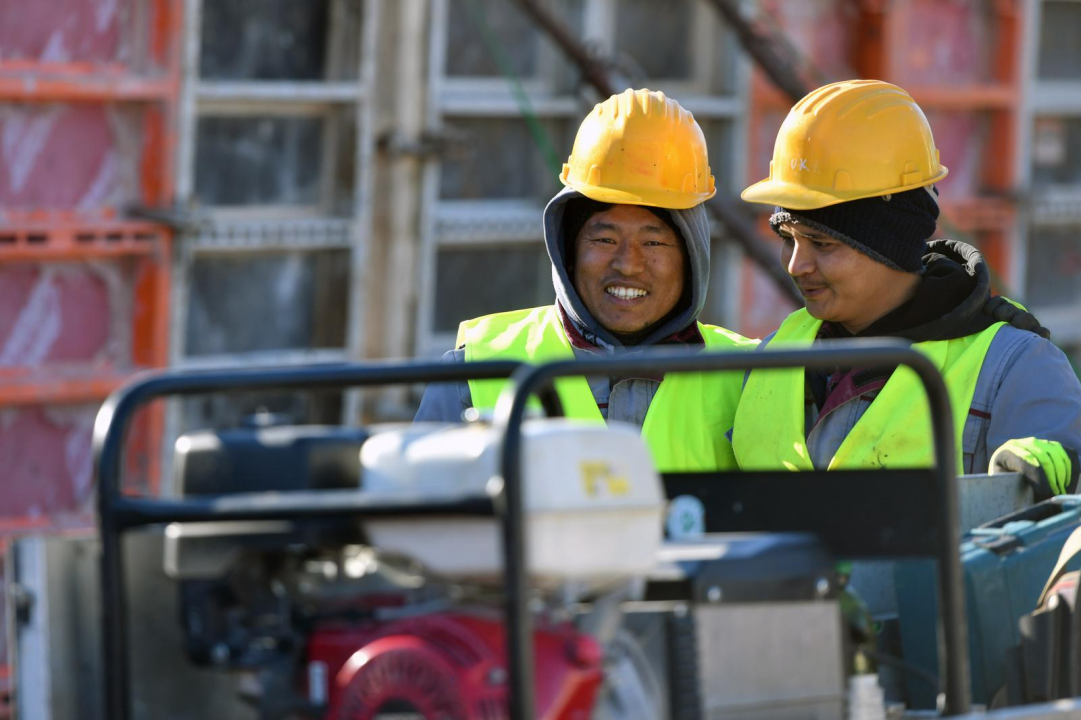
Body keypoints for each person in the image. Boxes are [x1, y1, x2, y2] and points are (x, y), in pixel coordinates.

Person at [733, 79, 1081, 500]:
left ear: (889, 242)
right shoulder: (777, 351)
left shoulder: (1014, 368)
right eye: (789, 239)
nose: (796, 265)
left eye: (822, 244)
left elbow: (1059, 519)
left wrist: (1051, 467)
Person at [416, 88, 757, 471]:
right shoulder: (476, 369)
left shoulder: (752, 376)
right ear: (568, 249)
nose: (628, 264)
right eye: (605, 238)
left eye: (653, 240)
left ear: (692, 254)